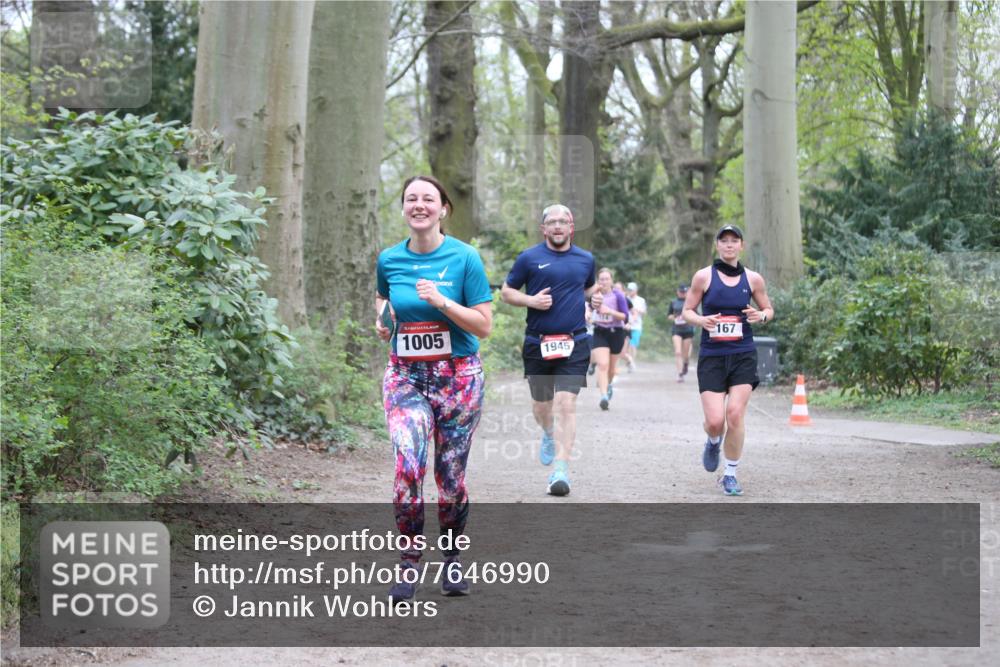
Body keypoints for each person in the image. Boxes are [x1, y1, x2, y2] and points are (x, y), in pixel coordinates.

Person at [375, 175, 493, 601]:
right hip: (405, 375)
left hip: (458, 378)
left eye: (428, 198)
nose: (419, 205)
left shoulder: (465, 258)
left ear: (443, 208)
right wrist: (384, 319)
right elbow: (383, 300)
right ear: (403, 208)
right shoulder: (389, 259)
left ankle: (453, 558)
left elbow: (485, 326)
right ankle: (408, 563)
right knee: (408, 465)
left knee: (450, 477)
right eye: (411, 199)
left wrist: (443, 302)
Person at [501, 204, 599, 497]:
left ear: (571, 226)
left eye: (562, 222)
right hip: (537, 342)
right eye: (551, 222)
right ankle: (547, 432)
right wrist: (531, 301)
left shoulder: (586, 259)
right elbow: (507, 292)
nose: (557, 227)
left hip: (575, 342)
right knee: (542, 407)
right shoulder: (529, 258)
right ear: (544, 229)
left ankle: (561, 470)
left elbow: (590, 289)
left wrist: (595, 302)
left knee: (566, 405)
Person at [682, 224, 773, 496]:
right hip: (712, 357)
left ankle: (730, 473)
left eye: (735, 241)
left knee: (735, 414)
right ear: (717, 245)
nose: (730, 245)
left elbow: (768, 308)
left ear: (741, 246)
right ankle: (712, 441)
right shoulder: (703, 277)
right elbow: (687, 310)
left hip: (743, 354)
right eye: (724, 241)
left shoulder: (753, 279)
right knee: (714, 420)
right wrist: (701, 320)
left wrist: (762, 316)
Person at [590, 268, 630, 411]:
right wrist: (588, 314)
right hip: (600, 332)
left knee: (611, 369)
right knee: (602, 364)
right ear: (598, 281)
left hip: (616, 333)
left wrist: (610, 311)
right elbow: (588, 308)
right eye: (601, 279)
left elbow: (625, 317)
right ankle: (603, 396)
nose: (604, 282)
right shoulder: (594, 295)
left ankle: (608, 385)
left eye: (607, 279)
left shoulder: (618, 295)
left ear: (611, 280)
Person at [668, 284, 695, 382]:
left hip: (688, 330)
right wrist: (674, 317)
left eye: (684, 292)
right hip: (677, 330)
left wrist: (689, 318)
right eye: (681, 292)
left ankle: (686, 364)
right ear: (677, 292)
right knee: (678, 352)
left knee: (686, 355)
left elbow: (697, 315)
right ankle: (680, 374)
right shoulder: (673, 302)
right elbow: (669, 315)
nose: (682, 294)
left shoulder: (691, 302)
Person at [625, 281, 647, 371]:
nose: (630, 291)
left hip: (636, 326)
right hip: (626, 325)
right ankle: (629, 362)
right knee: (627, 346)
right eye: (629, 289)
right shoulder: (625, 298)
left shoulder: (641, 300)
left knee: (633, 345)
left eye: (631, 290)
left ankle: (632, 362)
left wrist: (637, 310)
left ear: (636, 290)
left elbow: (644, 312)